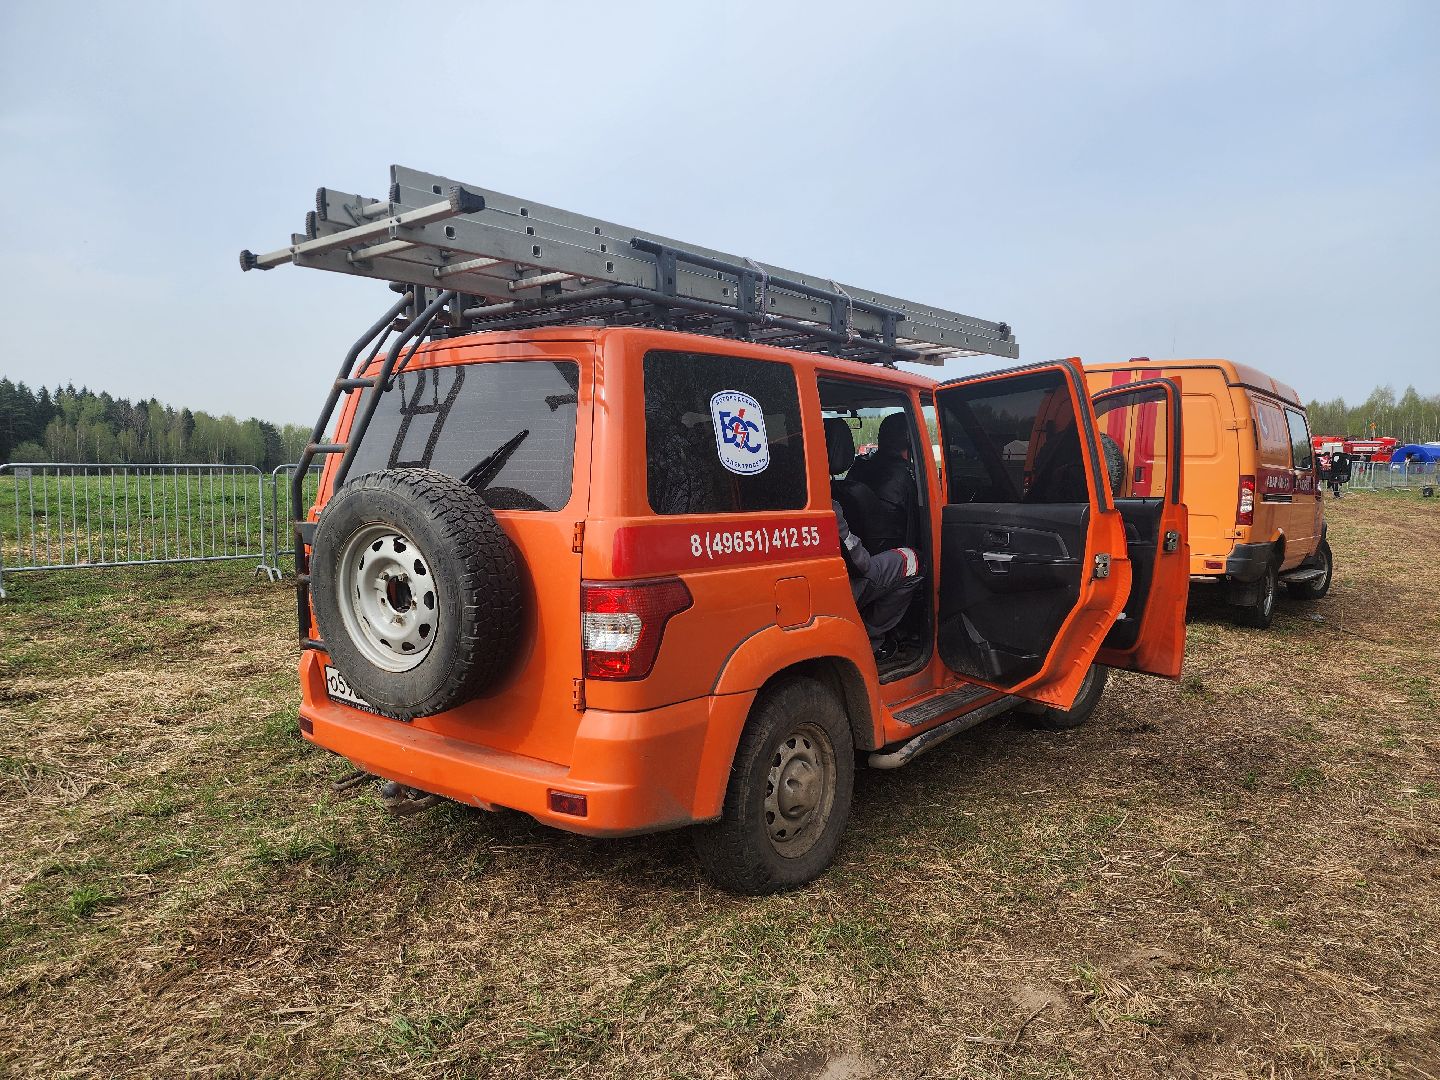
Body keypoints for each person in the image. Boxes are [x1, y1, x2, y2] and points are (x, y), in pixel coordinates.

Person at [834, 499, 921, 660]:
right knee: (912, 561)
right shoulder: (827, 504)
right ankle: (870, 640)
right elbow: (861, 564)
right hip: (838, 591)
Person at [847, 411, 920, 553]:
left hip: (858, 551)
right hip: (891, 555)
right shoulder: (903, 477)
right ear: (910, 440)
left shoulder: (859, 468)